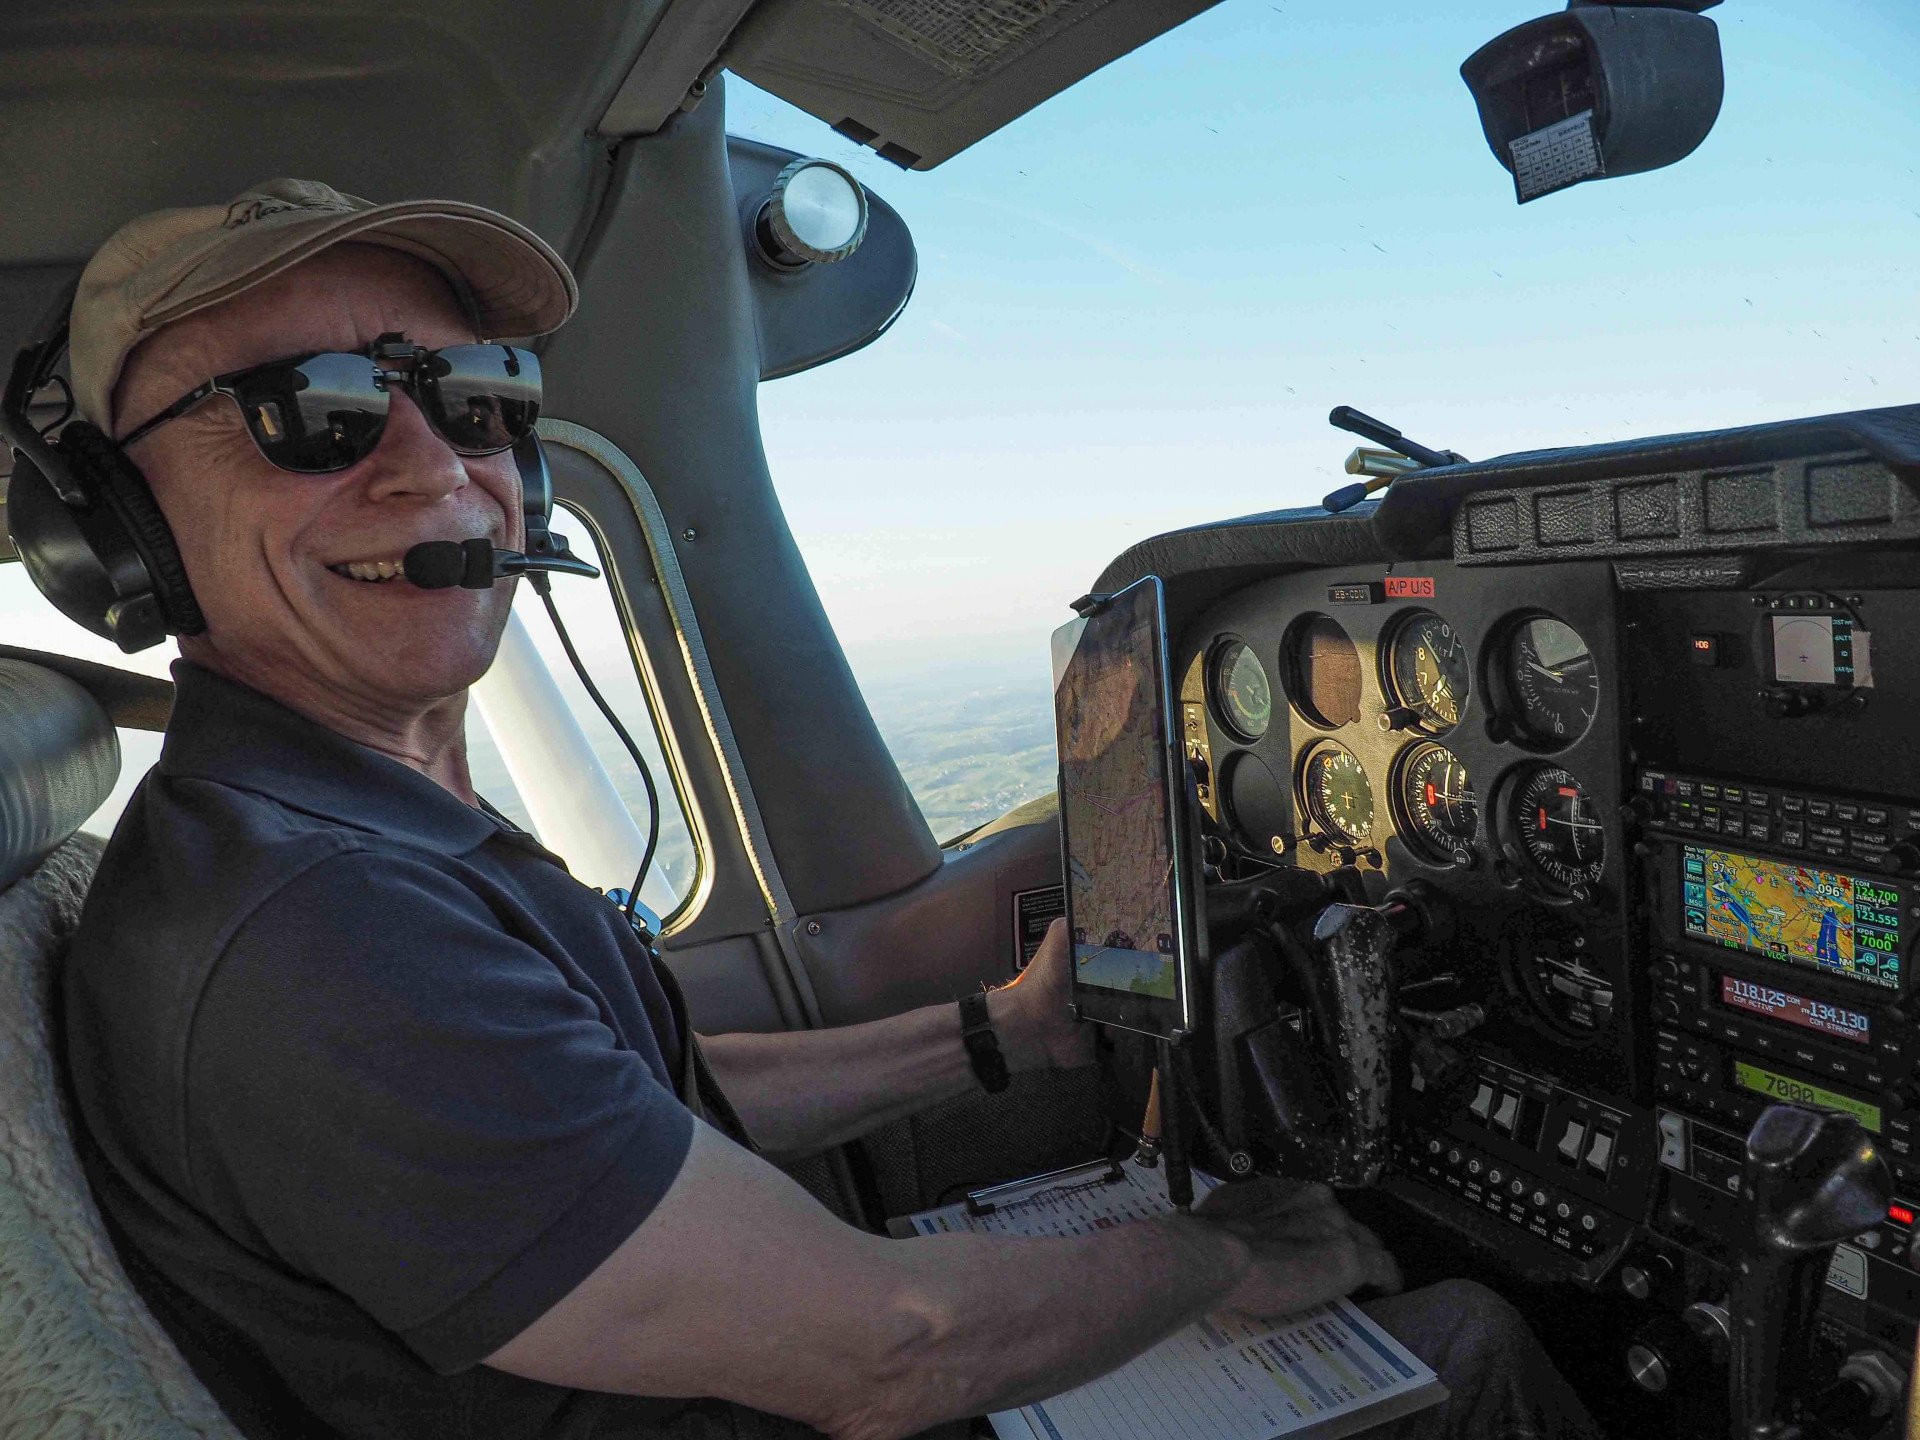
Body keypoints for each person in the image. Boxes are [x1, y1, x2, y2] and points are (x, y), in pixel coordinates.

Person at [56, 179, 1603, 1440]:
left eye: (475, 397)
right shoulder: (314, 928)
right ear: (118, 531)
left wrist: (1007, 1032)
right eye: (311, 411)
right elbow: (892, 1350)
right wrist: (1222, 1258)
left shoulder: (342, 827)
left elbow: (642, 1106)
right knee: (1464, 1341)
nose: (435, 471)